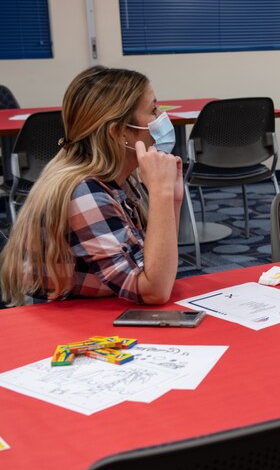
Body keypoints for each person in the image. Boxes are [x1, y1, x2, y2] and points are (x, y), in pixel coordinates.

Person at [0, 66, 183, 306]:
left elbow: (157, 266)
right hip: (58, 321)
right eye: (153, 110)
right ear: (119, 133)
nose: (162, 118)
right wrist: (161, 193)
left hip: (90, 308)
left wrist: (173, 200)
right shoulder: (86, 192)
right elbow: (154, 289)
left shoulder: (119, 179)